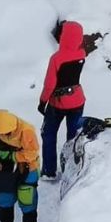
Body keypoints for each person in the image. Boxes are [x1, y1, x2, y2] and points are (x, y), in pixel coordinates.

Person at [39, 20, 89, 179]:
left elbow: (49, 84)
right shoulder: (82, 54)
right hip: (78, 99)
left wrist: (42, 102)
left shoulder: (57, 58)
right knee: (73, 136)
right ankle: (71, 169)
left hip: (58, 103)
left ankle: (49, 171)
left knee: (48, 134)